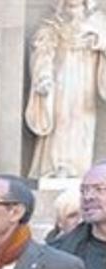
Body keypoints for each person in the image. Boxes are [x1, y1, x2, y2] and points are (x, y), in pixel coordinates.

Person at [24, 0, 106, 179]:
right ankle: (54, 166)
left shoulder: (97, 21)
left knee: (81, 121)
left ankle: (78, 168)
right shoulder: (53, 22)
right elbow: (42, 50)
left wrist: (98, 41)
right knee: (60, 118)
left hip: (85, 79)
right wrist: (43, 76)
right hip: (60, 79)